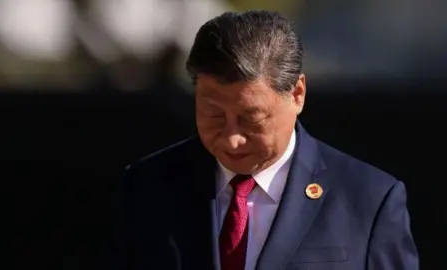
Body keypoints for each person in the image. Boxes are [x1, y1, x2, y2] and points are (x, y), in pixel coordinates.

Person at [116, 10, 419, 270]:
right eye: (214, 115)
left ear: (297, 94)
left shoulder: (368, 200)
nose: (232, 139)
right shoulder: (147, 187)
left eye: (251, 118)